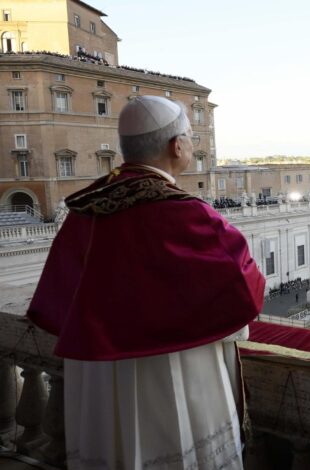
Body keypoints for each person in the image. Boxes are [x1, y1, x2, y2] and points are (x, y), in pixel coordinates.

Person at [27, 96, 265, 470]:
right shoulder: (186, 212)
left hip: (100, 370)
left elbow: (60, 296)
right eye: (190, 137)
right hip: (173, 367)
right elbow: (245, 284)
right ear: (177, 146)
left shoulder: (86, 209)